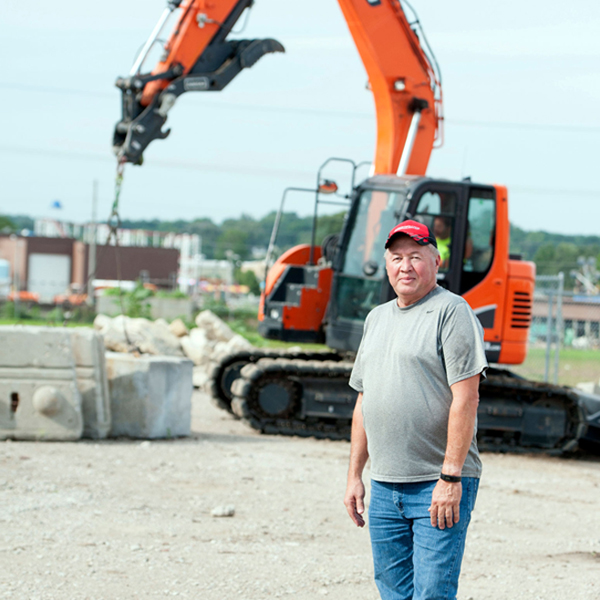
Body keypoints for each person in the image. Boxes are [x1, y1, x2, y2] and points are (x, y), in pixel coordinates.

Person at [343, 219, 488, 600]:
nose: (405, 266)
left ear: (436, 262)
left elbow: (466, 398)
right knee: (392, 592)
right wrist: (355, 475)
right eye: (396, 258)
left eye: (415, 257)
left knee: (432, 594)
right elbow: (364, 400)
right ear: (387, 264)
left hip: (436, 484)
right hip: (386, 483)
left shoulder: (451, 312)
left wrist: (451, 478)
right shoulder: (376, 319)